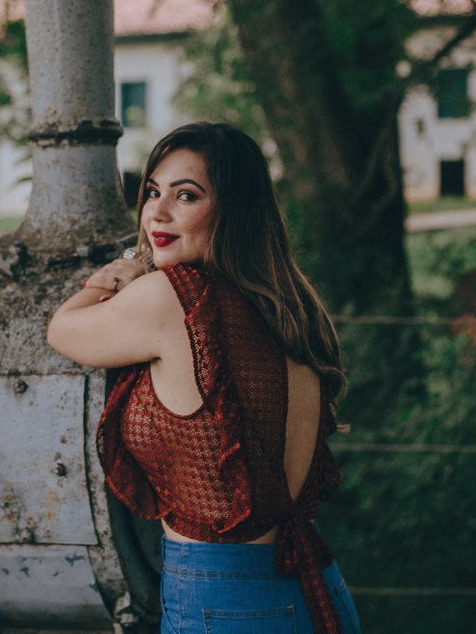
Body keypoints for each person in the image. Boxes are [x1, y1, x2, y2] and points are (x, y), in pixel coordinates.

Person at [47, 122, 361, 634]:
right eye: (152, 193)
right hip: (316, 589)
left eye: (186, 195)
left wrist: (121, 265)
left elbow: (62, 330)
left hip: (226, 602)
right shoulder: (286, 305)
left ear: (232, 209)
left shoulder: (173, 297)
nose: (158, 213)